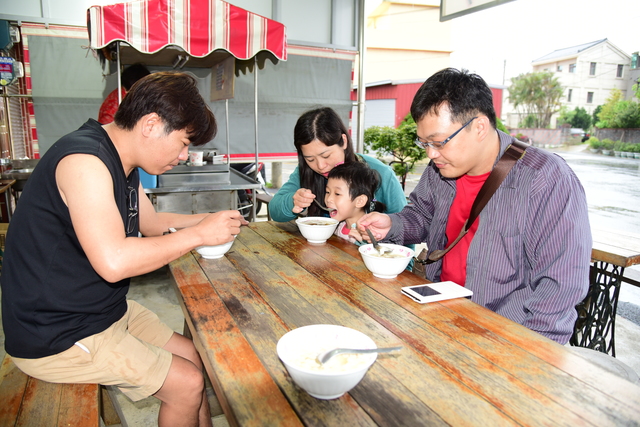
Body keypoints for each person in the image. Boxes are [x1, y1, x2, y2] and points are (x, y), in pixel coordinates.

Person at [1, 72, 247, 427]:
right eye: (182, 143)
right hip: (57, 332)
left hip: (100, 312)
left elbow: (151, 224)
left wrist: (210, 219)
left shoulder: (123, 160)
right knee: (187, 384)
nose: (182, 155)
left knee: (193, 357)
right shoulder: (85, 162)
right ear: (150, 124)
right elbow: (114, 262)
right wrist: (198, 236)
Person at [358, 68, 592, 345]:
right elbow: (421, 215)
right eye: (425, 143)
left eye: (438, 142)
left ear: (479, 127)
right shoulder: (440, 169)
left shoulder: (544, 178)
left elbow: (560, 284)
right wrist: (392, 224)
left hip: (503, 333)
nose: (431, 154)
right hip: (439, 311)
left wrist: (532, 352)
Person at [268, 107, 407, 222]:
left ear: (344, 141)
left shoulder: (379, 173)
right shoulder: (305, 171)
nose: (321, 166)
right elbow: (274, 211)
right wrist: (293, 202)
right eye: (310, 159)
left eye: (326, 155)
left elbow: (404, 226)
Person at [325, 162, 386, 244]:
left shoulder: (370, 233)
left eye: (337, 194)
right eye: (327, 192)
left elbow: (381, 253)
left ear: (360, 201)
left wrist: (364, 244)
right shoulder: (340, 226)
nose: (329, 199)